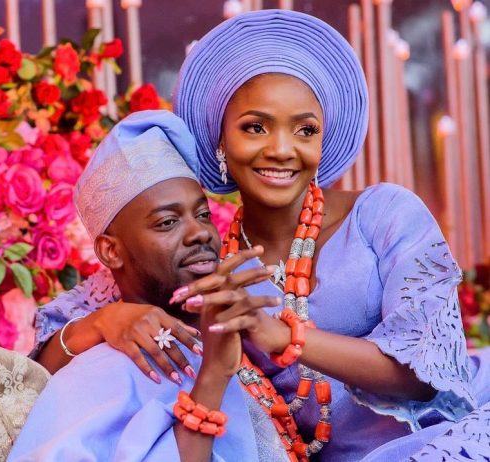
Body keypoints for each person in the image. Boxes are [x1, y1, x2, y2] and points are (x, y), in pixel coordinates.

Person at [30, 10, 490, 461]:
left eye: (305, 130)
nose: (282, 149)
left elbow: (427, 371)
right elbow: (42, 360)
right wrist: (105, 321)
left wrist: (279, 335)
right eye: (255, 127)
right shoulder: (208, 262)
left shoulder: (383, 214)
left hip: (442, 434)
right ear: (221, 141)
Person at [9, 110, 291, 461]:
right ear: (111, 251)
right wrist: (213, 375)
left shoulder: (241, 320)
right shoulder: (103, 373)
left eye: (202, 215)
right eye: (168, 222)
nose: (200, 233)